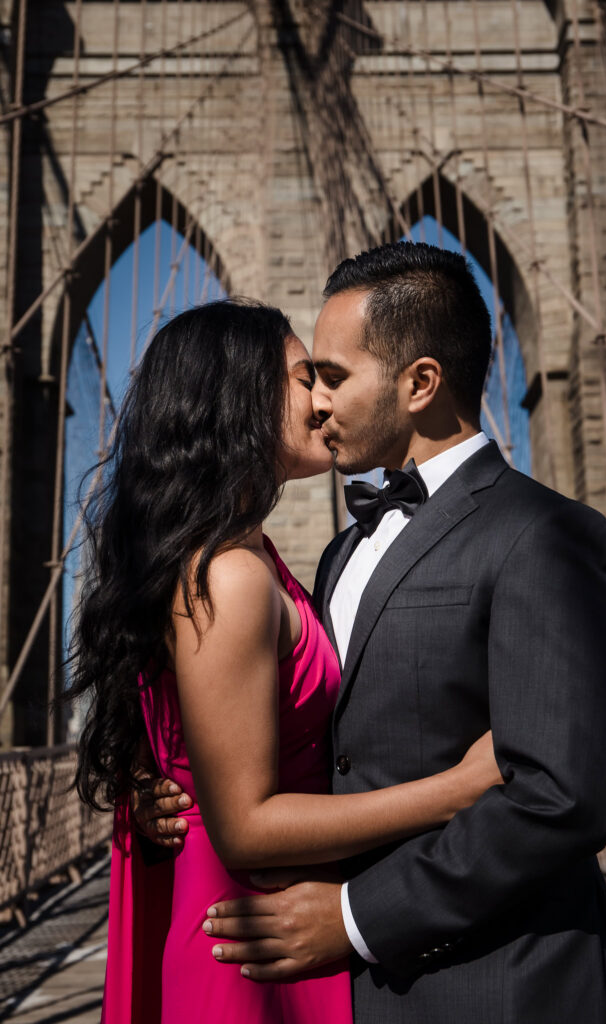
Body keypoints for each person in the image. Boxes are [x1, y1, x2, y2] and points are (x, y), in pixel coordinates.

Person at [146, 243, 606, 1023]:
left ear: (420, 382)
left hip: (507, 984)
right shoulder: (335, 555)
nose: (316, 403)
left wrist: (357, 916)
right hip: (347, 989)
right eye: (308, 379)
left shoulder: (545, 535)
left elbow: (559, 799)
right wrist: (178, 793)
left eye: (333, 376)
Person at [69, 299, 502, 1024]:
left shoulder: (235, 555)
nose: (325, 399)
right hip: (251, 949)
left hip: (260, 924)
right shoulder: (232, 576)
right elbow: (244, 825)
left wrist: (149, 773)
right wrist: (456, 789)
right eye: (306, 377)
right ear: (239, 395)